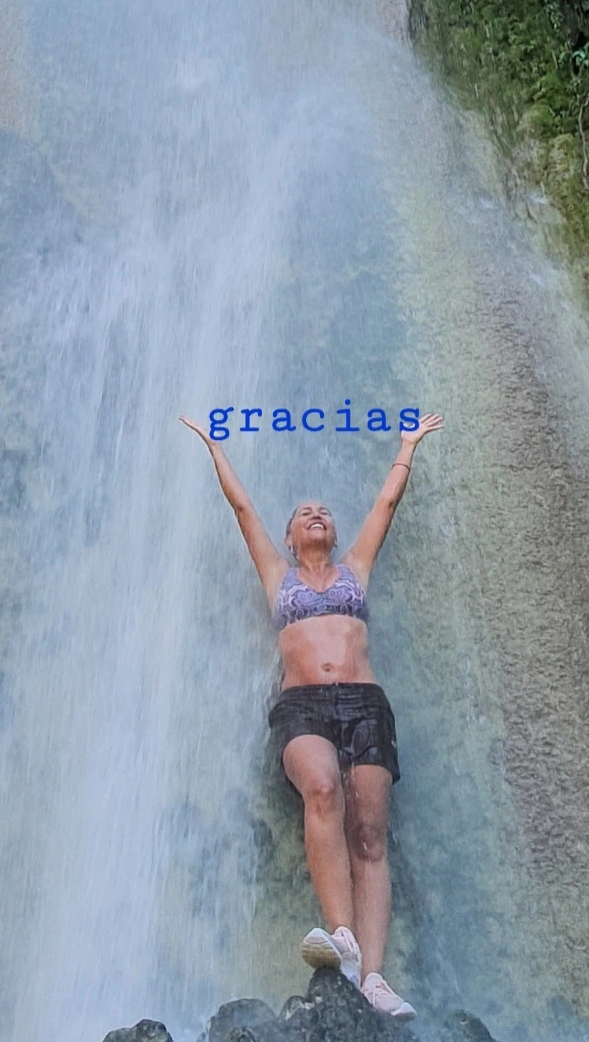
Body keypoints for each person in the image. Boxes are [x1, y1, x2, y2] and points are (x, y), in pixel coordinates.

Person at [180, 410, 444, 1019]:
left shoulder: (356, 570)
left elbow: (386, 505)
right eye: (304, 513)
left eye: (323, 511)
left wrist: (407, 447)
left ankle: (373, 978)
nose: (316, 514)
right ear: (291, 537)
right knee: (322, 788)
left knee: (370, 833)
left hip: (365, 703)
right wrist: (216, 448)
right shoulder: (278, 577)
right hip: (301, 706)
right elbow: (243, 510)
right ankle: (342, 937)